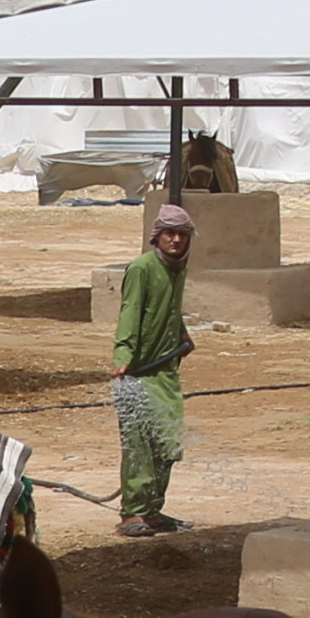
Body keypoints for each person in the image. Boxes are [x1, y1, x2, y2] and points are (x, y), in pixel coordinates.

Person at [111, 204, 196, 537]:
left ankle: (152, 509)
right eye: (169, 234)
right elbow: (130, 312)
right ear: (156, 236)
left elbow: (169, 308)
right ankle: (133, 511)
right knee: (139, 443)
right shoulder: (142, 269)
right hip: (139, 372)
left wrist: (182, 333)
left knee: (167, 443)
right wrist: (124, 354)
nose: (175, 240)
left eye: (182, 235)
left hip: (166, 372)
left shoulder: (178, 269)